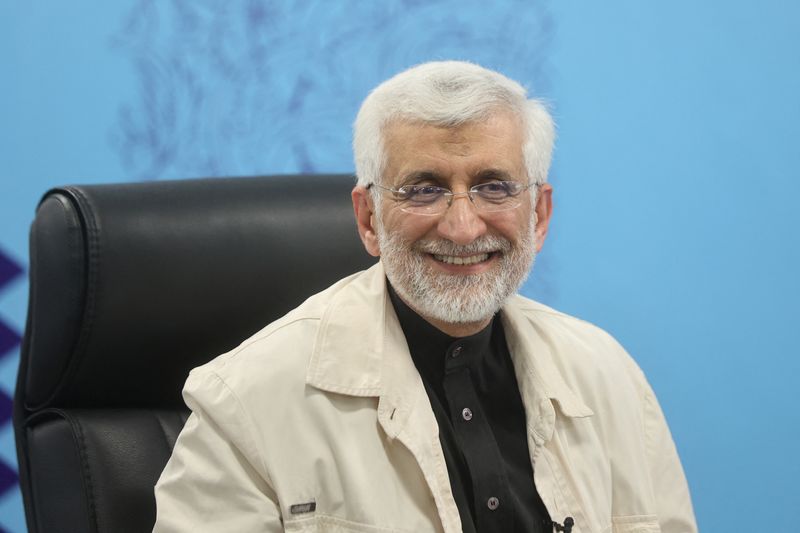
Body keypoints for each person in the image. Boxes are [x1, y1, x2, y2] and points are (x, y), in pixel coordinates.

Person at [153, 61, 697, 533]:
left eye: (494, 186)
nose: (463, 227)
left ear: (539, 214)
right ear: (369, 219)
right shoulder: (243, 403)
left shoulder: (611, 379)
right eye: (423, 189)